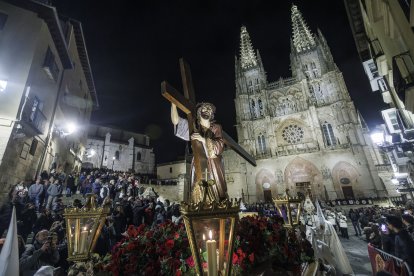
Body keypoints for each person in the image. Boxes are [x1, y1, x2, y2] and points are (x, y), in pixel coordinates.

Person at [171, 102, 228, 202]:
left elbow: (219, 146)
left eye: (209, 110)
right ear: (199, 112)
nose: (207, 111)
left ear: (212, 114)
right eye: (204, 109)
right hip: (198, 162)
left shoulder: (216, 127)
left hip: (214, 164)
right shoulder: (194, 128)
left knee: (217, 191)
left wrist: (203, 139)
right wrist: (173, 104)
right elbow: (176, 122)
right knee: (198, 190)